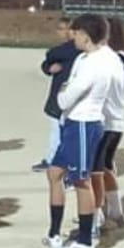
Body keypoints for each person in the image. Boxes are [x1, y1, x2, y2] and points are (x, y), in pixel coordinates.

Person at [45, 13, 119, 248]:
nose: (71, 37)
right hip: (73, 124)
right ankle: (55, 232)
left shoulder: (95, 64)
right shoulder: (90, 57)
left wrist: (64, 90)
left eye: (75, 33)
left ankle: (86, 241)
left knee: (81, 181)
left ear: (85, 36)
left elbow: (65, 97)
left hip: (84, 125)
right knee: (54, 173)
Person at [95, 16, 124, 231]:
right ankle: (114, 211)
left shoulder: (119, 59)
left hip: (106, 121)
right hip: (113, 120)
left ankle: (98, 215)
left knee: (95, 169)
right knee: (105, 167)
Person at [34, 18, 79, 173]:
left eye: (65, 29)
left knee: (64, 131)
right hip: (58, 95)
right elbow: (46, 64)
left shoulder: (75, 49)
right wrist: (48, 68)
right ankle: (52, 159)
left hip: (70, 97)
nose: (62, 32)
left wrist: (50, 57)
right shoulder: (63, 50)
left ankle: (58, 161)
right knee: (56, 130)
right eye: (60, 29)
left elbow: (53, 53)